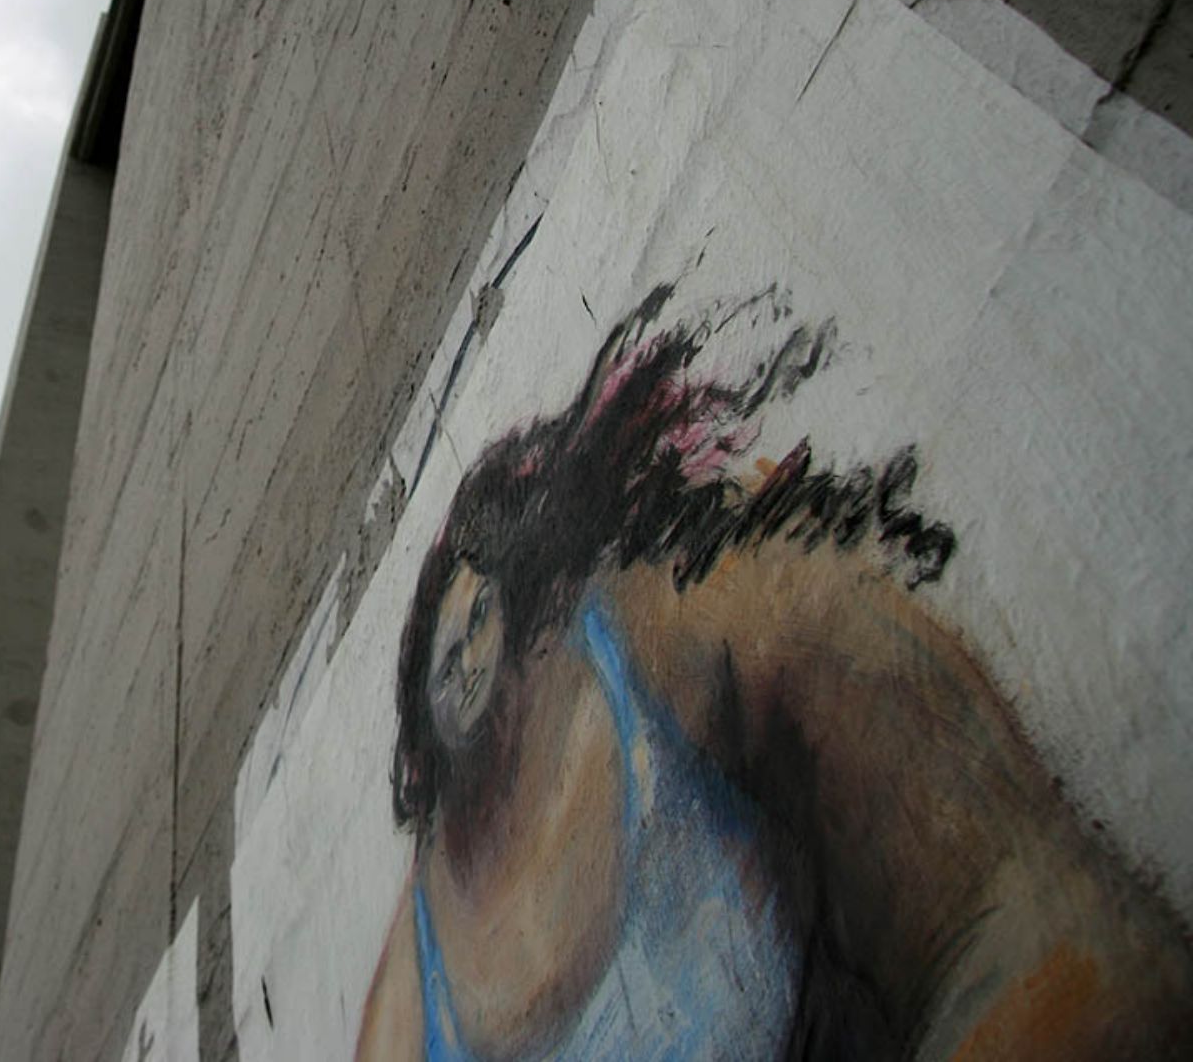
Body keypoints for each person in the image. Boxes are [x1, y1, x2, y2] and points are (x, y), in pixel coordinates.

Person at [355, 286, 1193, 1060]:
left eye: (479, 621)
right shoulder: (415, 973)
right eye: (446, 654)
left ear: (524, 603)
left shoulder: (685, 622)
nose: (465, 663)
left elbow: (1044, 935)